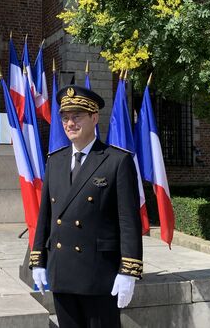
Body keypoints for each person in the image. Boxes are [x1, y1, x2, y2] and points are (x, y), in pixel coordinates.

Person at [30, 85, 143, 327]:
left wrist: (128, 271)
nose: (69, 123)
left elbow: (128, 222)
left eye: (77, 116)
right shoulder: (55, 161)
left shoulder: (116, 160)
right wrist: (38, 260)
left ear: (94, 118)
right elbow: (46, 216)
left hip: (99, 275)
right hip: (62, 273)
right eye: (65, 117)